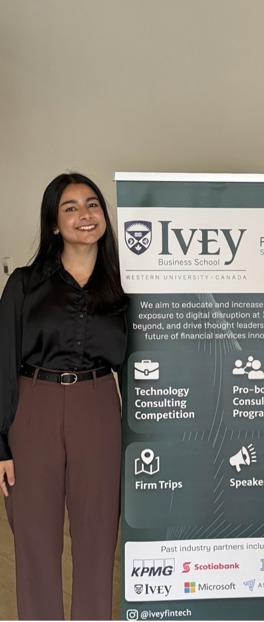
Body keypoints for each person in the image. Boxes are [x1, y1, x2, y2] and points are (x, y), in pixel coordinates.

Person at [0, 173, 128, 620]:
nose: (84, 215)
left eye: (92, 204)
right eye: (70, 207)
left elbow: (137, 365)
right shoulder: (24, 284)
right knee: (34, 538)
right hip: (33, 405)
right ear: (54, 223)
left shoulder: (123, 288)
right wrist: (0, 444)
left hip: (98, 406)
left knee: (97, 538)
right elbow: (2, 362)